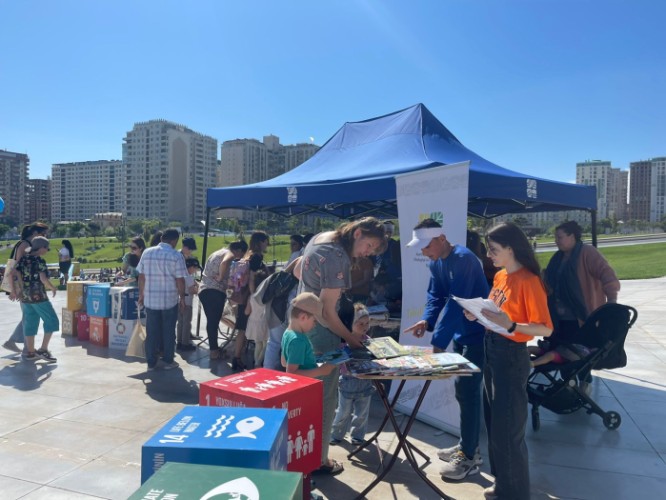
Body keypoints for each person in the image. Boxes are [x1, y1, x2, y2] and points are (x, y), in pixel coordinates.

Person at [465, 222, 553, 500]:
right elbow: (497, 313)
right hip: (492, 349)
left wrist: (512, 325)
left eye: (493, 250)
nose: (488, 255)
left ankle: (514, 492)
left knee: (508, 430)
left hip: (511, 357)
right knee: (495, 425)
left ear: (511, 249)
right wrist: (477, 314)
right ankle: (504, 483)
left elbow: (545, 328)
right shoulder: (501, 276)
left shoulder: (529, 280)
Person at [299, 216, 387, 476]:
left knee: (306, 396)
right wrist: (350, 339)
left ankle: (305, 454)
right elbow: (327, 312)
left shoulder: (321, 238)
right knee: (325, 400)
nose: (367, 253)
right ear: (358, 233)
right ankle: (319, 461)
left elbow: (295, 270)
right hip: (323, 332)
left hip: (302, 325)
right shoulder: (338, 256)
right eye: (369, 245)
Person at [403, 218, 490, 481]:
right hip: (461, 334)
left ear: (441, 239)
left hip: (479, 335)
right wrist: (427, 321)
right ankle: (467, 444)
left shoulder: (463, 259)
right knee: (463, 392)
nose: (423, 252)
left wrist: (438, 343)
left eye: (425, 246)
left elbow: (455, 304)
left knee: (469, 391)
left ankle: (470, 455)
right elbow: (436, 297)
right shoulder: (436, 262)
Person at [544, 221, 620, 392]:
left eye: (560, 237)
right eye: (556, 237)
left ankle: (584, 385)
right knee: (562, 353)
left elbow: (607, 274)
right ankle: (568, 386)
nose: (556, 240)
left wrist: (612, 301)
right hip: (559, 318)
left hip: (580, 318)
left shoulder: (587, 253)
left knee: (579, 354)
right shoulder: (558, 258)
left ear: (572, 236)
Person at [280, 292, 338, 474]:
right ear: (303, 317)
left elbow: (284, 362)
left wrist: (311, 359)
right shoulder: (298, 340)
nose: (314, 326)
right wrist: (321, 371)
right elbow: (292, 372)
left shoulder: (289, 333)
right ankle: (309, 467)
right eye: (314, 322)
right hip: (304, 394)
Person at [137, 228, 188, 372]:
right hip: (169, 300)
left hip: (151, 300)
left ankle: (151, 362)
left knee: (152, 331)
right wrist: (182, 298)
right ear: (174, 240)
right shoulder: (176, 256)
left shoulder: (147, 253)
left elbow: (141, 276)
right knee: (168, 331)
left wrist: (141, 295)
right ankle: (168, 360)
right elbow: (180, 280)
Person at [330, 303, 374, 446]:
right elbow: (340, 362)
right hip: (348, 380)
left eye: (367, 323)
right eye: (360, 323)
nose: (364, 326)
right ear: (350, 324)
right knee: (343, 411)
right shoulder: (343, 342)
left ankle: (358, 436)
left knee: (362, 413)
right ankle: (336, 434)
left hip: (365, 381)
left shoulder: (368, 341)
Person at [3, 222, 49, 354]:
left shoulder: (26, 244)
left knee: (29, 315)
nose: (44, 237)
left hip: (26, 287)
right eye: (43, 234)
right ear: (35, 233)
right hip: (24, 286)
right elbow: (17, 268)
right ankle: (24, 347)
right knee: (30, 315)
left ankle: (15, 343)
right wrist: (16, 289)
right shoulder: (25, 245)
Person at [198, 240, 248, 359]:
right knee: (213, 322)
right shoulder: (229, 254)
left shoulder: (218, 252)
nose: (240, 258)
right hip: (214, 290)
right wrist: (221, 277)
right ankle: (214, 351)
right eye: (242, 254)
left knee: (212, 321)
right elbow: (225, 262)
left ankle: (214, 349)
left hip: (205, 289)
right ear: (239, 250)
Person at [12, 236, 59, 362]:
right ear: (41, 248)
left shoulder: (23, 260)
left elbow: (16, 273)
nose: (47, 251)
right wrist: (52, 287)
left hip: (26, 296)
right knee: (52, 320)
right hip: (39, 296)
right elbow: (43, 279)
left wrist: (20, 289)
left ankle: (30, 352)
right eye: (47, 248)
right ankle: (43, 350)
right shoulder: (39, 261)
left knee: (30, 322)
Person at [232, 231, 269, 371]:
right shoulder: (256, 257)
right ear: (260, 242)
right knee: (242, 329)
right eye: (266, 241)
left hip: (243, 296)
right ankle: (238, 358)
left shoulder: (248, 254)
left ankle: (237, 357)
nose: (267, 244)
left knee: (241, 328)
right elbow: (253, 278)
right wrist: (255, 296)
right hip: (249, 297)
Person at [245, 268, 270, 367]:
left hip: (253, 323)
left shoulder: (252, 297)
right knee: (266, 344)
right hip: (264, 322)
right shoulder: (267, 297)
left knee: (258, 344)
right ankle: (259, 362)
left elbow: (247, 311)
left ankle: (256, 362)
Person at [176, 257, 200, 352]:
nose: (196, 270)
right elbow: (191, 290)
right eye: (195, 268)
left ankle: (179, 341)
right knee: (187, 323)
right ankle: (185, 344)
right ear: (191, 267)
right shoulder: (189, 276)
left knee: (180, 323)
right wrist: (197, 290)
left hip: (179, 300)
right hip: (187, 302)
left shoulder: (182, 275)